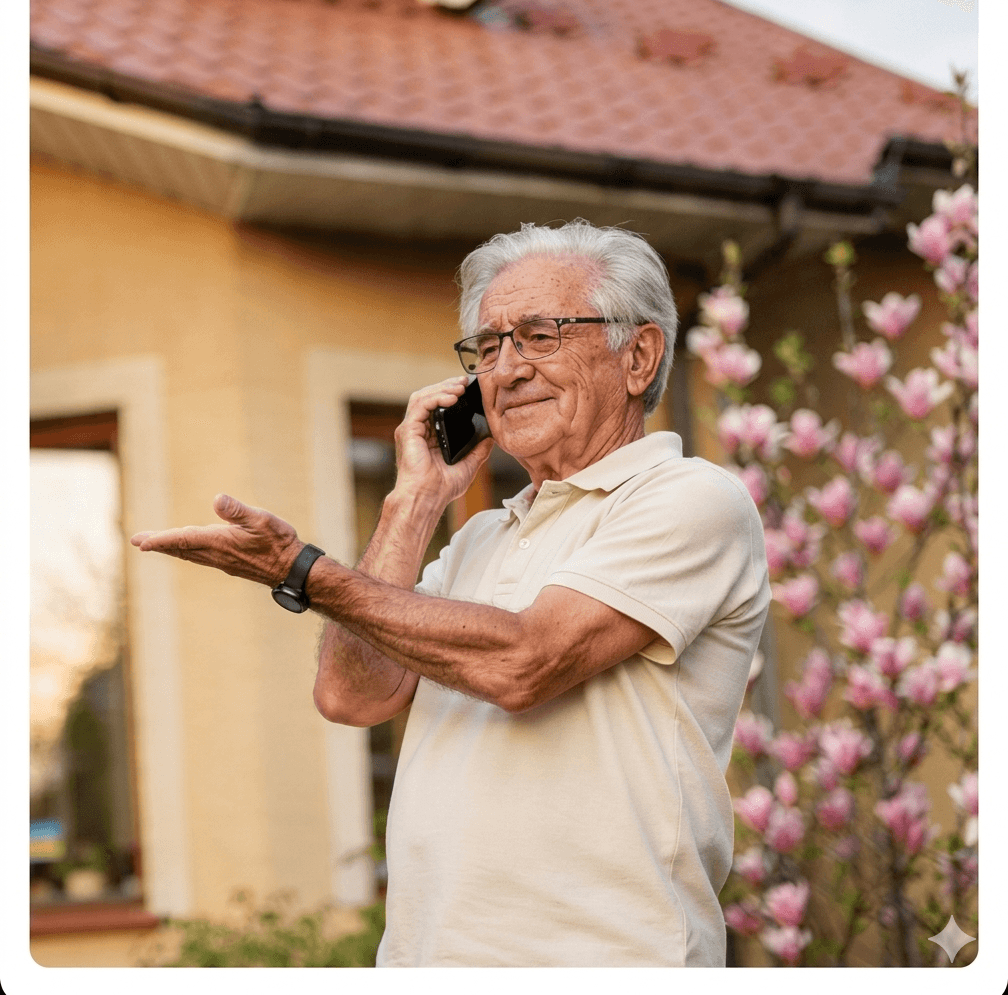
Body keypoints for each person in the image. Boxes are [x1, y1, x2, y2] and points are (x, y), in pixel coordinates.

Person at [132, 220, 770, 967]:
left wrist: (305, 571)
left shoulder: (692, 498)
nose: (506, 369)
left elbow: (525, 662)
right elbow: (351, 694)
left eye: (539, 334)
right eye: (489, 347)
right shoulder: (474, 541)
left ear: (639, 355)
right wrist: (413, 503)